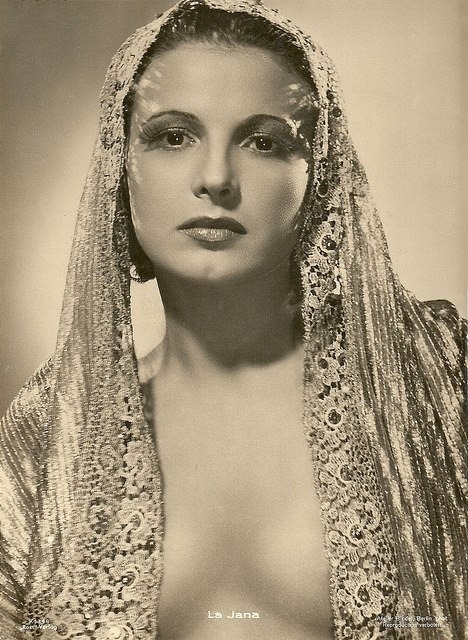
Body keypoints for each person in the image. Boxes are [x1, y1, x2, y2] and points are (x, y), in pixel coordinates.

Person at [0, 1, 465, 639]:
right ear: (120, 166)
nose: (216, 178)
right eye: (173, 136)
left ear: (321, 176)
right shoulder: (54, 430)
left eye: (263, 141)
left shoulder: (437, 382)